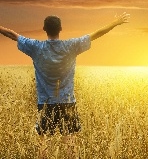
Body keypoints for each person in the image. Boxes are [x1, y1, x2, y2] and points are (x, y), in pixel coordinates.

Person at [0, 12, 130, 158]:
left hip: (45, 102)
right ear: (61, 28)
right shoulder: (71, 46)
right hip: (67, 101)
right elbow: (96, 34)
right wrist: (115, 23)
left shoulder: (36, 47)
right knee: (70, 141)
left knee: (43, 141)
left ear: (44, 28)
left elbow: (12, 34)